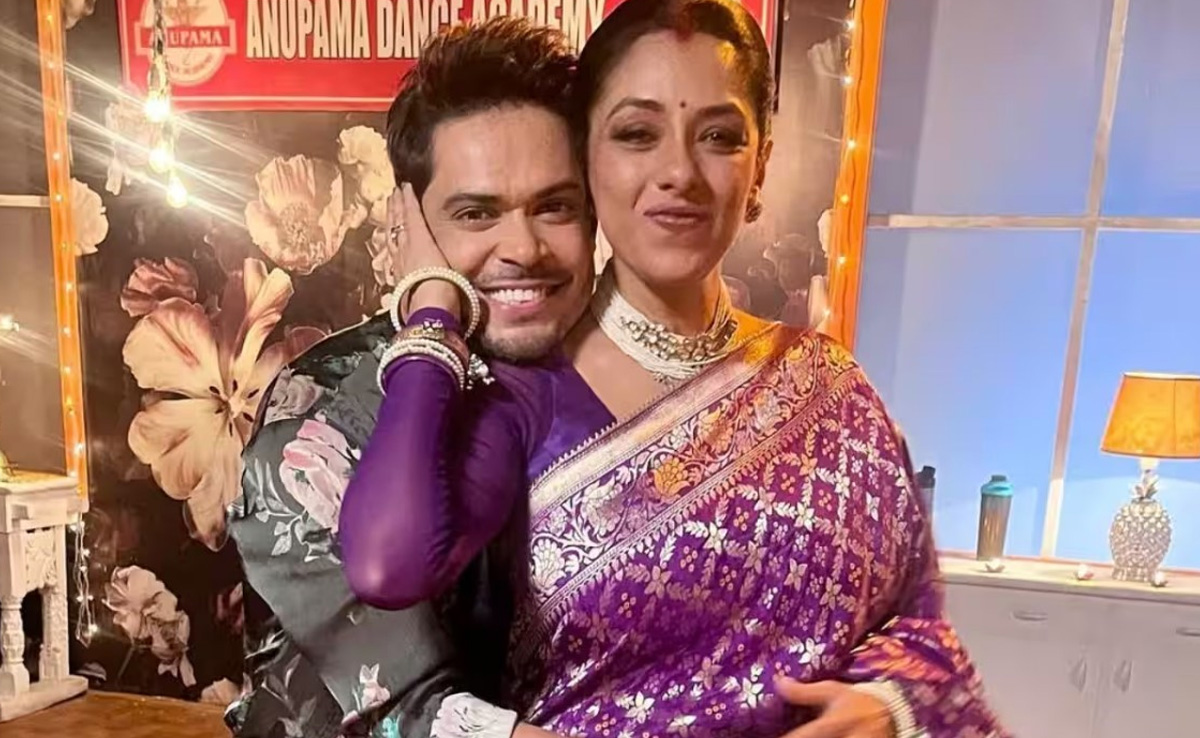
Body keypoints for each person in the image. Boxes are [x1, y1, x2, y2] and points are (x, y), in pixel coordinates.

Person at [339, 1, 1007, 737]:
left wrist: (892, 707)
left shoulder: (831, 387)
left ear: (760, 166)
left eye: (719, 137)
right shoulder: (522, 397)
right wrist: (432, 311)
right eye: (637, 134)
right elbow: (387, 566)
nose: (679, 173)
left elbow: (922, 624)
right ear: (589, 161)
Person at [226, 18, 593, 738]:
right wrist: (434, 318)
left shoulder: (625, 386)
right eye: (476, 213)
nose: (523, 248)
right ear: (407, 217)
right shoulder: (319, 405)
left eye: (555, 206)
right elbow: (419, 712)